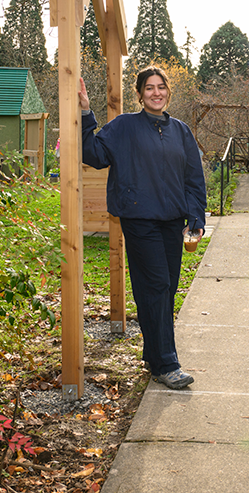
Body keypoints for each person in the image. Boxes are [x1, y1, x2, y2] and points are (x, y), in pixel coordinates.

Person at [79, 66, 206, 390]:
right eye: (149, 87)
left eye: (161, 87)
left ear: (168, 92)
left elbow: (193, 178)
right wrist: (85, 114)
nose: (156, 93)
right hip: (139, 219)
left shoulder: (181, 131)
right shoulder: (124, 126)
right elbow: (94, 154)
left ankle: (153, 355)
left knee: (165, 289)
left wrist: (195, 218)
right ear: (139, 94)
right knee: (157, 285)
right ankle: (167, 364)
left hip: (172, 221)